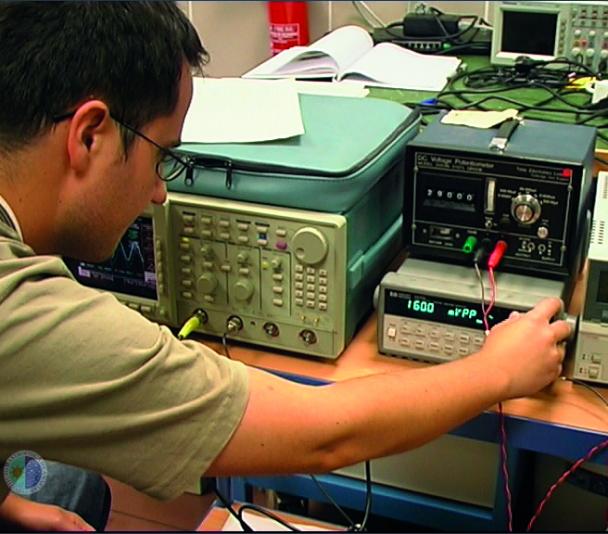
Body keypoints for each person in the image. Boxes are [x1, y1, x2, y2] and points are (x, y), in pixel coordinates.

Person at [0, 1, 570, 530]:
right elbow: (323, 434)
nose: (159, 194)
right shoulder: (20, 313)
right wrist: (495, 371)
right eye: (164, 157)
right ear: (90, 135)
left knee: (69, 487)